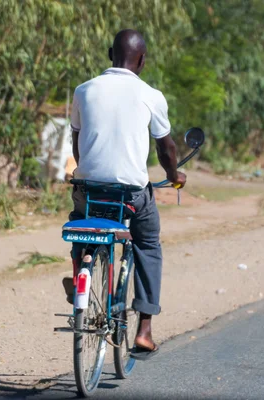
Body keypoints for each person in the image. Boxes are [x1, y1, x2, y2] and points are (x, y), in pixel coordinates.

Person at [68, 29, 186, 360]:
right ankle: (145, 331)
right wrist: (174, 177)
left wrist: (89, 171)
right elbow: (167, 147)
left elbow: (77, 141)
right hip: (133, 196)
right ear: (143, 60)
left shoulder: (84, 90)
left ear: (110, 53)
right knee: (148, 243)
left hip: (90, 189)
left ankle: (82, 268)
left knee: (82, 221)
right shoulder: (151, 94)